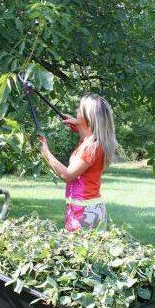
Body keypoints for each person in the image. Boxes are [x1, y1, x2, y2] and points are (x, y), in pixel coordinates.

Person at [38, 93, 117, 231]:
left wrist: (46, 152)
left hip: (86, 212)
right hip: (81, 208)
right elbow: (85, 136)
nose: (76, 111)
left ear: (88, 117)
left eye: (79, 109)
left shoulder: (91, 147)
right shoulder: (89, 141)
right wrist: (79, 125)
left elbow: (67, 175)